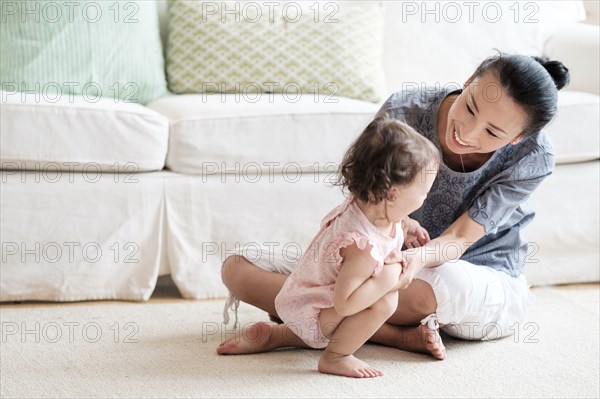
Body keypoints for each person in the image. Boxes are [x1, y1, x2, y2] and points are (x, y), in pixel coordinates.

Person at [219, 51, 570, 361]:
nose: (467, 132)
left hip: (472, 269)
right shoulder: (405, 110)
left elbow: (461, 237)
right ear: (467, 82)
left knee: (419, 292)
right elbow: (364, 196)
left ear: (518, 138)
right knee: (238, 270)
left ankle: (298, 329)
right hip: (381, 259)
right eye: (469, 107)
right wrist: (375, 251)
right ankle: (395, 336)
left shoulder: (533, 155)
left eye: (492, 133)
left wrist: (414, 260)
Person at [218, 115, 440, 378]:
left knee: (379, 295)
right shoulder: (361, 247)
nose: (425, 197)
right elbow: (345, 305)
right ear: (391, 194)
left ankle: (276, 335)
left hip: (311, 302)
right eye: (424, 191)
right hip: (318, 314)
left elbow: (388, 217)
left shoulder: (369, 204)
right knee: (386, 302)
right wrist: (389, 281)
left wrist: (405, 223)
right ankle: (337, 356)